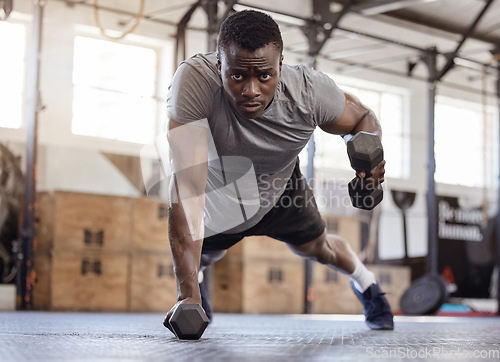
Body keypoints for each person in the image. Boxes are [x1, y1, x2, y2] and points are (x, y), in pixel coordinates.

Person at [164, 9, 393, 333]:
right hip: (220, 194)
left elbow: (362, 119)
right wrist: (186, 296)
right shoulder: (194, 84)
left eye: (264, 76)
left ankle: (367, 285)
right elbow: (187, 191)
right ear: (220, 66)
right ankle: (196, 292)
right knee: (197, 257)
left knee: (320, 248)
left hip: (280, 188)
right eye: (238, 76)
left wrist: (368, 163)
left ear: (280, 67)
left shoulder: (308, 92)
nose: (251, 90)